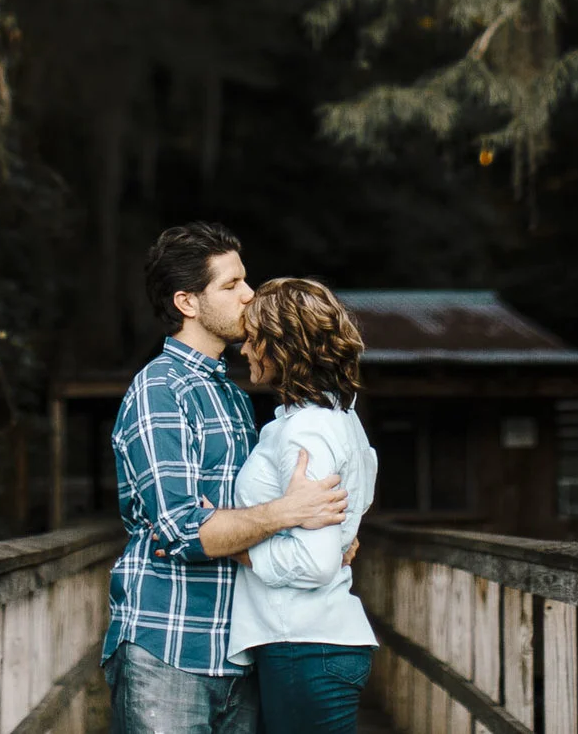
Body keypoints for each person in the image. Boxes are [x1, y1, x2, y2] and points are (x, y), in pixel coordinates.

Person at [105, 223, 350, 734]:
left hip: (239, 648)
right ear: (187, 302)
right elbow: (179, 528)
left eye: (246, 280)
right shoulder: (159, 390)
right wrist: (287, 514)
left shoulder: (235, 396)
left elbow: (263, 507)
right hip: (170, 648)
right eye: (231, 285)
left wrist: (329, 537)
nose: (249, 295)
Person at [227, 280, 379, 734]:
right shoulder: (338, 417)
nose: (244, 351)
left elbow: (313, 564)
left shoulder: (307, 431)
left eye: (253, 339)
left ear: (281, 346)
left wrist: (234, 547)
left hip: (303, 643)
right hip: (316, 643)